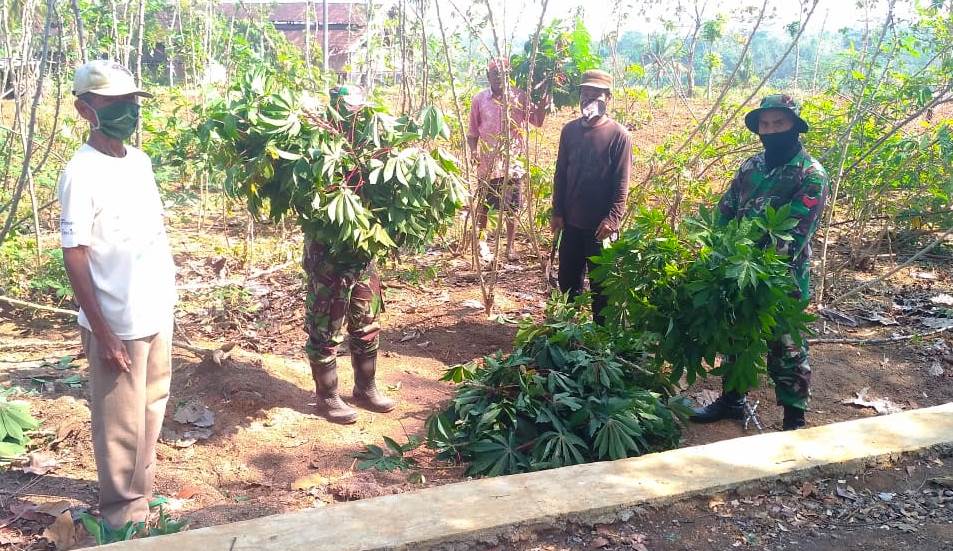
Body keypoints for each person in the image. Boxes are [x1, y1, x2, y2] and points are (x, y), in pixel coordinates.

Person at [59, 60, 176, 528]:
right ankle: (121, 514)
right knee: (119, 421)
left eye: (130, 102)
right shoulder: (81, 172)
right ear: (85, 110)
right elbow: (75, 254)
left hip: (154, 310)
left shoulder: (140, 162)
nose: (126, 111)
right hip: (116, 319)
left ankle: (141, 494)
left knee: (151, 406)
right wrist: (103, 331)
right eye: (113, 103)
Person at [690, 94, 830, 431]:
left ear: (795, 126)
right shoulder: (751, 167)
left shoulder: (811, 175)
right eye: (765, 125)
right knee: (737, 334)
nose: (771, 130)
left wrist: (749, 262)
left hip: (782, 277)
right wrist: (715, 250)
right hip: (737, 268)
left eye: (779, 123)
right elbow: (726, 210)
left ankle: (794, 418)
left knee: (787, 345)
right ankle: (732, 400)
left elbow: (794, 236)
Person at [304, 84, 396, 424]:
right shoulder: (315, 146)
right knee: (325, 326)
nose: (354, 115)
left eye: (358, 109)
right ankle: (327, 396)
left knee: (366, 319)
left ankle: (365, 388)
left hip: (362, 251)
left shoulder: (372, 145)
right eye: (347, 108)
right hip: (328, 255)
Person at [551, 69, 632, 322]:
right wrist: (557, 211)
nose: (589, 99)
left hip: (601, 228)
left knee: (603, 289)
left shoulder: (619, 135)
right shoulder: (569, 131)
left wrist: (612, 219)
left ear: (608, 98)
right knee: (568, 282)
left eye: (596, 94)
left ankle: (601, 336)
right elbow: (560, 174)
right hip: (571, 224)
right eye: (585, 93)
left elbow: (622, 183)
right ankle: (569, 330)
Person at [467, 58, 548, 261]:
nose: (500, 78)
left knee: (512, 208)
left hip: (513, 164)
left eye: (504, 74)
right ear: (488, 76)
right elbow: (472, 132)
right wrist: (474, 151)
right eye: (495, 74)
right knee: (484, 207)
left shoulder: (519, 96)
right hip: (487, 163)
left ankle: (510, 248)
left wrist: (545, 99)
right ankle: (482, 244)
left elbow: (537, 121)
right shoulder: (479, 99)